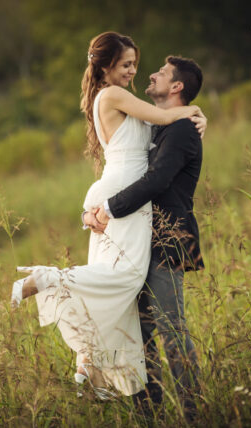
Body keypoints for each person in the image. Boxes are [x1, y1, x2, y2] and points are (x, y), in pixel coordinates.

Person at [11, 32, 206, 399]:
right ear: (106, 66)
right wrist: (194, 111)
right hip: (121, 198)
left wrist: (192, 116)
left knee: (128, 297)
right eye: (127, 65)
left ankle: (89, 356)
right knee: (127, 279)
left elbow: (159, 140)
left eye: (138, 64)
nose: (138, 72)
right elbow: (160, 130)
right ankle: (50, 281)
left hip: (128, 205)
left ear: (176, 85)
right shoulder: (116, 96)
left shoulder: (136, 107)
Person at [89, 55, 205, 418]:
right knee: (137, 337)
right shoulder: (158, 126)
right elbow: (128, 170)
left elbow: (156, 181)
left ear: (176, 87)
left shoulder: (183, 129)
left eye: (161, 73)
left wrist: (107, 208)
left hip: (166, 245)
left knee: (172, 331)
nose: (149, 75)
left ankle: (195, 413)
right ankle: (148, 416)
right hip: (135, 242)